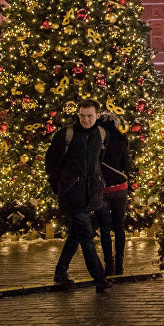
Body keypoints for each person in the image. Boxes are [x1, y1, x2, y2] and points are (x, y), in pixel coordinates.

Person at [45, 99, 109, 292]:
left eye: (90, 116)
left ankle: (60, 271)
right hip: (72, 194)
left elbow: (99, 162)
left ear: (98, 115)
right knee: (86, 236)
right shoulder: (66, 134)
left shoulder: (101, 134)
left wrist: (99, 185)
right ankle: (99, 278)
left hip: (91, 195)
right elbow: (51, 163)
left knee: (76, 233)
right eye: (82, 115)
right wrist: (61, 188)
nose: (86, 120)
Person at [95, 112, 132, 276]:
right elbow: (127, 165)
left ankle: (108, 264)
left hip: (103, 190)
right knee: (119, 227)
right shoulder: (121, 140)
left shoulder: (97, 140)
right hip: (119, 188)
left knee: (104, 229)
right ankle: (120, 264)